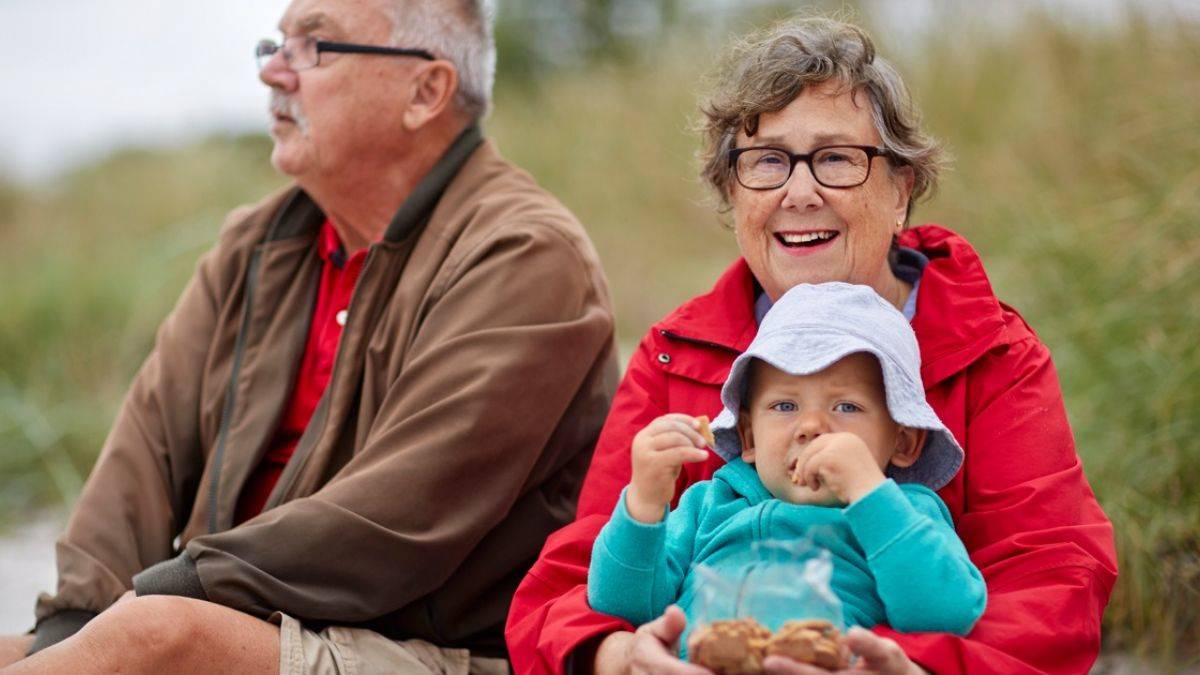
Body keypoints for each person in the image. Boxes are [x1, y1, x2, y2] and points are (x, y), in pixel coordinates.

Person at [0, 0, 618, 672]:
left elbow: (393, 524)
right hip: (243, 616)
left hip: (434, 647)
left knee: (151, 639)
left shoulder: (525, 254)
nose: (274, 73)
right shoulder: (258, 244)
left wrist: (161, 599)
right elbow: (146, 452)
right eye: (277, 44)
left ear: (426, 91)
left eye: (315, 45)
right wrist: (73, 619)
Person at [506, 16, 1118, 675]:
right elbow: (568, 583)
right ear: (731, 193)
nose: (800, 193)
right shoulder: (674, 353)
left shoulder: (991, 351)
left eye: (836, 159)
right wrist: (621, 656)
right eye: (766, 161)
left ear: (900, 191)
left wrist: (903, 666)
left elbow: (1056, 583)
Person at [587, 283, 986, 659]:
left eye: (846, 406)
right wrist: (644, 502)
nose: (811, 425)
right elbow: (622, 604)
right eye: (784, 406)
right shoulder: (708, 505)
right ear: (748, 438)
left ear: (903, 442)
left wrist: (869, 491)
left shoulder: (904, 514)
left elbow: (944, 614)